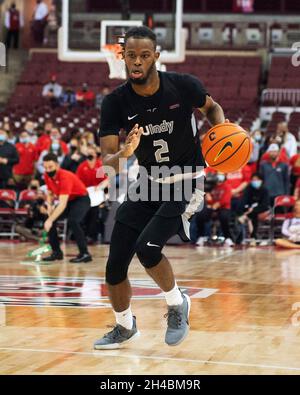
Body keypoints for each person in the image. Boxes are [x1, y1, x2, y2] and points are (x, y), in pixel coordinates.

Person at [94, 26, 227, 349]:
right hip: (147, 183)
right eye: (131, 56)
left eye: (143, 55)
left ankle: (176, 303)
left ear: (156, 56)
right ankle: (125, 327)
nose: (136, 62)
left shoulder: (182, 86)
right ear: (122, 57)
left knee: (148, 249)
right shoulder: (115, 102)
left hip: (185, 180)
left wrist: (221, 133)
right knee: (115, 264)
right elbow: (107, 163)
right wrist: (124, 153)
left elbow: (211, 108)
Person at [42, 153, 92, 263]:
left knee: (73, 221)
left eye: (50, 167)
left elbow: (62, 204)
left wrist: (50, 220)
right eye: (45, 167)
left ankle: (85, 253)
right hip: (69, 201)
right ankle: (57, 252)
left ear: (57, 165)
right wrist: (49, 206)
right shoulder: (46, 176)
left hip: (81, 199)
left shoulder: (65, 176)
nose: (48, 170)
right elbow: (50, 192)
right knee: (50, 218)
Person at [76, 145, 108, 243]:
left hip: (98, 192)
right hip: (85, 192)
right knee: (85, 210)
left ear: (95, 154)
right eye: (88, 153)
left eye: (92, 153)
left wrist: (99, 187)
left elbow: (106, 180)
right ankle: (83, 234)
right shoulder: (82, 166)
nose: (90, 155)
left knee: (95, 211)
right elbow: (78, 181)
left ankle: (92, 235)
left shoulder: (99, 166)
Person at [194, 173, 234, 246]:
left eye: (221, 174)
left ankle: (228, 238)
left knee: (224, 217)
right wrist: (208, 197)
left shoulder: (227, 186)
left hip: (223, 207)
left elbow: (225, 200)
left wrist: (215, 206)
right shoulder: (211, 186)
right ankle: (201, 237)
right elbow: (208, 199)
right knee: (200, 215)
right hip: (212, 206)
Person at [237, 173, 270, 242]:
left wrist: (253, 209)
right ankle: (251, 236)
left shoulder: (265, 190)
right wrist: (248, 208)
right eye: (253, 180)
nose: (255, 181)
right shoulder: (248, 189)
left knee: (253, 214)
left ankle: (253, 235)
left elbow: (265, 205)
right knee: (250, 214)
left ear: (261, 180)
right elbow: (243, 201)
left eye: (257, 180)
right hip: (249, 209)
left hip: (261, 209)